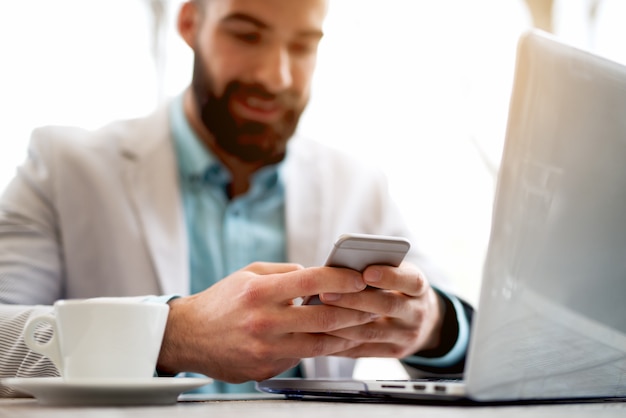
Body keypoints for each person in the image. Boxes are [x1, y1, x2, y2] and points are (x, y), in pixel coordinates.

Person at [0, 0, 473, 396]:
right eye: (247, 35)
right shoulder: (63, 166)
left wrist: (432, 326)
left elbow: (492, 352)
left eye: (303, 45)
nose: (277, 76)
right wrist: (173, 335)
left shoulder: (358, 182)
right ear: (190, 23)